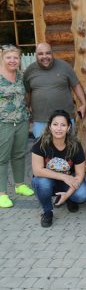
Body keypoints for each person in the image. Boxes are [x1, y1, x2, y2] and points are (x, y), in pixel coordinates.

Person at [31, 110, 86, 227]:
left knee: (82, 195)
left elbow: (80, 174)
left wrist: (68, 194)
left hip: (67, 183)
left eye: (63, 125)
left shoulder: (75, 145)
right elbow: (37, 170)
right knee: (42, 183)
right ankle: (48, 211)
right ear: (50, 126)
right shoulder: (40, 144)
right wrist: (64, 176)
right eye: (55, 124)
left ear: (68, 128)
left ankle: (68, 199)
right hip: (48, 181)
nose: (59, 128)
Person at [23, 42, 86, 138]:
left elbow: (76, 85)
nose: (45, 56)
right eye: (40, 54)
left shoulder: (65, 67)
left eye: (48, 53)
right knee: (43, 150)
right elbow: (28, 93)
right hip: (41, 120)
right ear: (36, 55)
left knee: (67, 149)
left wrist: (84, 103)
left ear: (52, 53)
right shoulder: (30, 70)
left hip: (65, 119)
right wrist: (27, 110)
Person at [0, 45, 34, 208]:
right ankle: (2, 194)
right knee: (2, 158)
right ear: (2, 58)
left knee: (19, 154)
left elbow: (27, 96)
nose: (13, 61)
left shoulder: (21, 76)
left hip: (21, 121)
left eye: (16, 58)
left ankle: (20, 184)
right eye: (9, 57)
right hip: (3, 123)